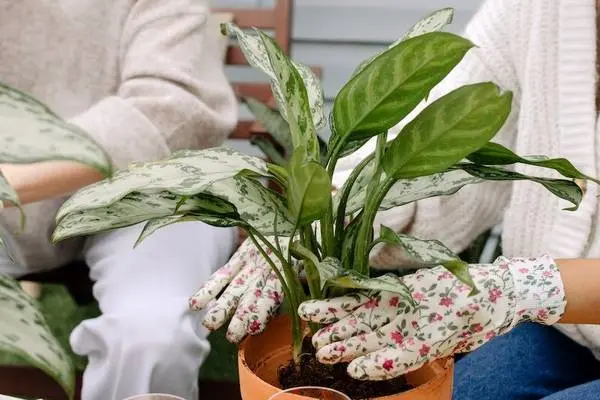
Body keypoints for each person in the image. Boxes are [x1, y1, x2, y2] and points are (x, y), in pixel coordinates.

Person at [195, 0, 600, 399]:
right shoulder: (537, 8)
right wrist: (330, 216)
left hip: (541, 308)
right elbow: (439, 140)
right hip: (559, 332)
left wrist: (523, 288)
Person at [0, 1, 237, 399]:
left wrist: (10, 180)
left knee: (150, 336)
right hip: (14, 215)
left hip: (150, 187)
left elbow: (171, 110)